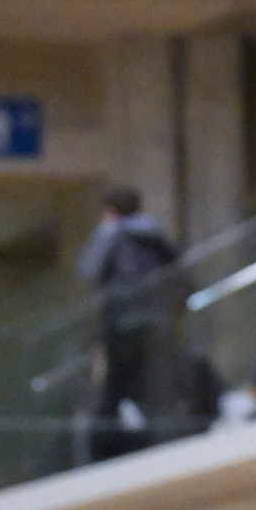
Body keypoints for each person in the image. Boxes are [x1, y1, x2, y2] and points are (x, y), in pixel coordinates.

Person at [77, 186, 183, 458]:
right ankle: (158, 445)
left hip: (122, 323)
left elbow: (89, 270)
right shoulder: (154, 234)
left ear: (110, 211)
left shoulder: (112, 234)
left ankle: (103, 453)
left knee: (115, 389)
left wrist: (104, 233)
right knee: (152, 387)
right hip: (159, 322)